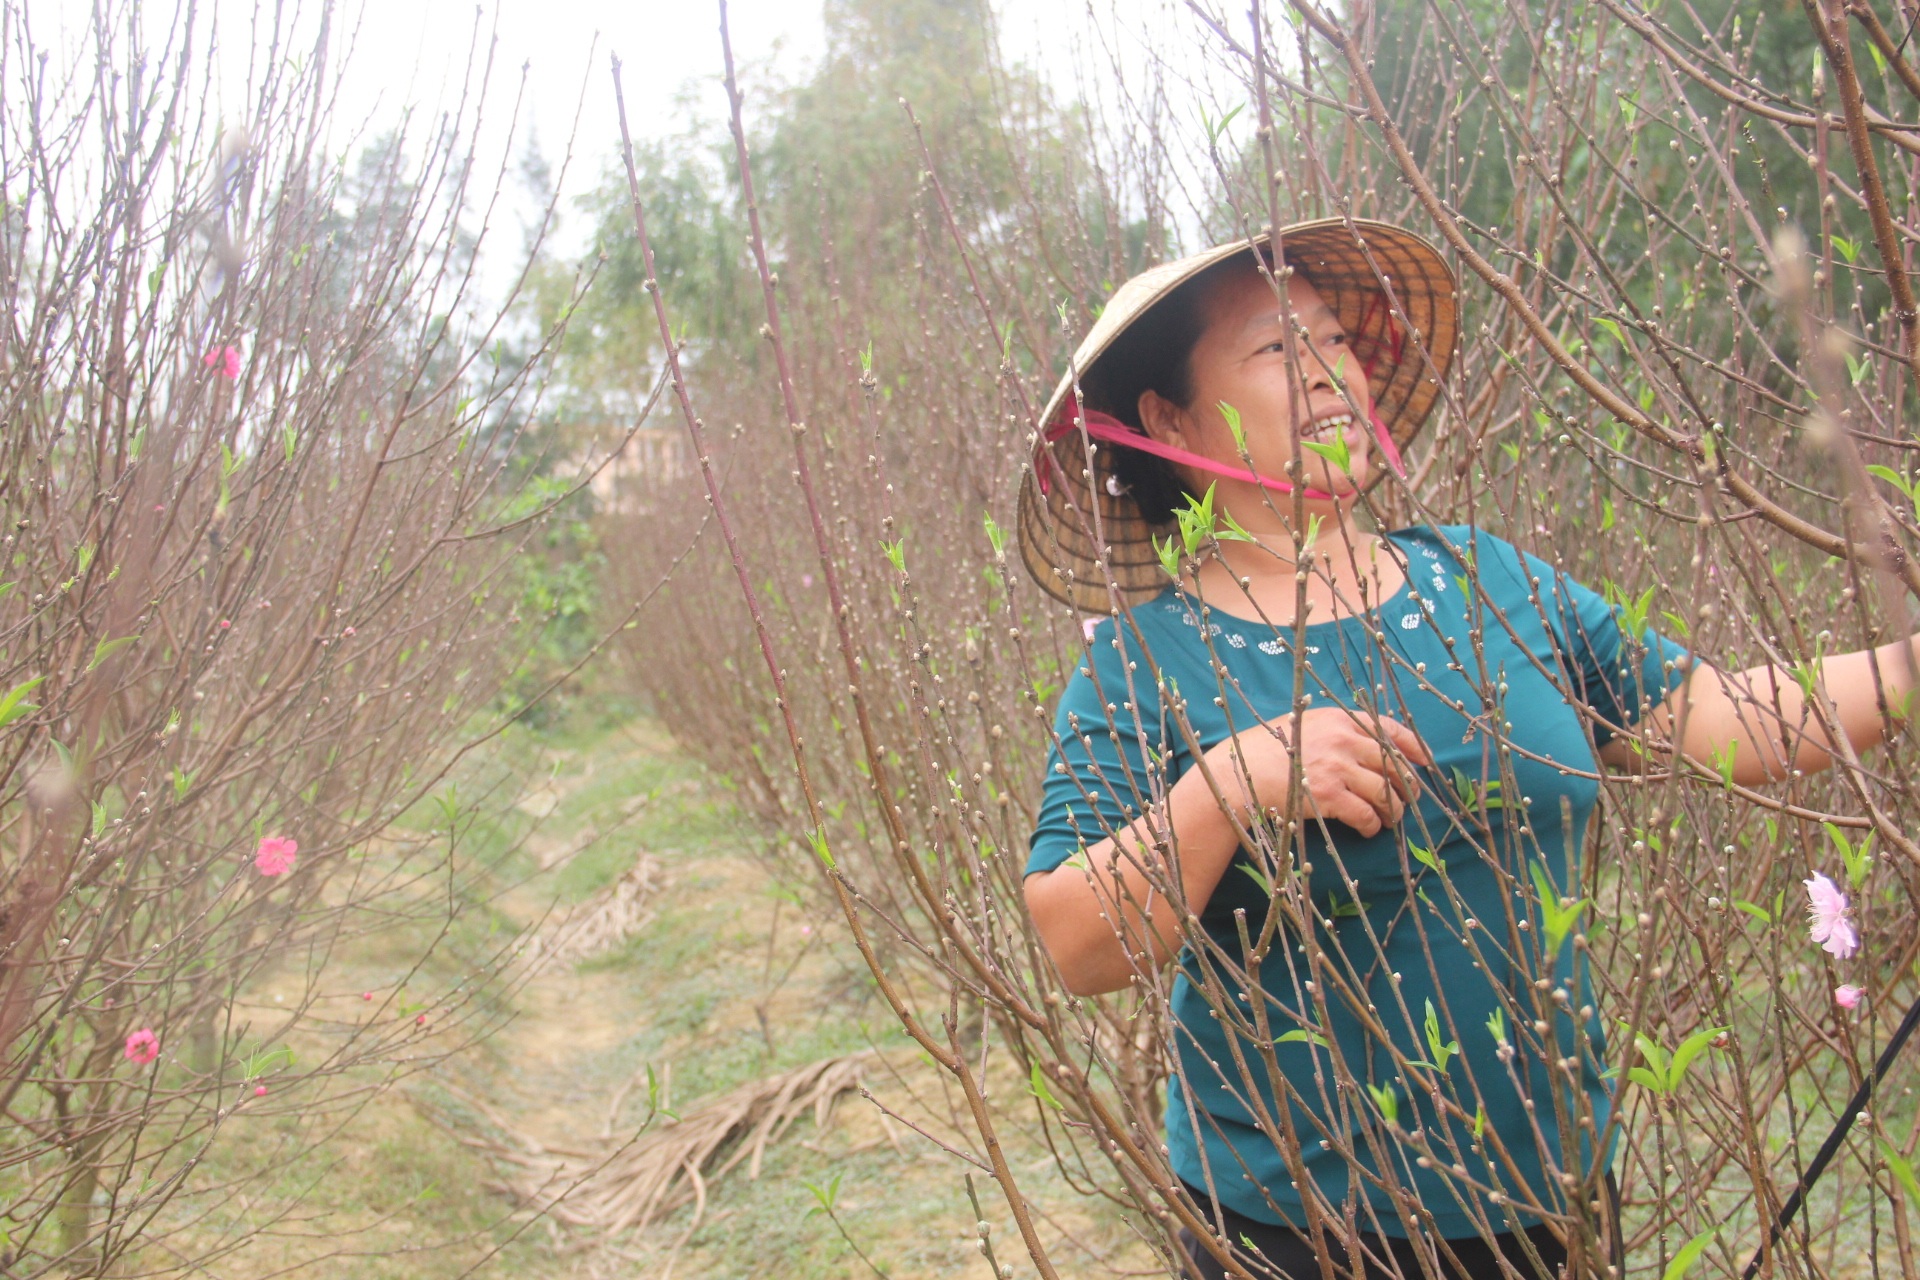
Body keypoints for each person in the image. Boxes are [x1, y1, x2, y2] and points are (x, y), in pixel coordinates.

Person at [1014, 220, 1918, 1280]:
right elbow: (1076, 936)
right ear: (1169, 416)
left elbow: (1722, 714)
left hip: (1553, 1198)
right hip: (1303, 1230)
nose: (1326, 372)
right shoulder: (1149, 660)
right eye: (1274, 348)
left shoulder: (1486, 581)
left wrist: (1909, 664)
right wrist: (1236, 781)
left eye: (1335, 339)